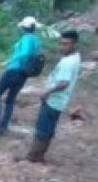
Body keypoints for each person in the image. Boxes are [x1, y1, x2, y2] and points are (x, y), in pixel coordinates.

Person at [21, 30, 81, 163]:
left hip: (53, 100)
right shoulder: (76, 57)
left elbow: (64, 83)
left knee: (42, 128)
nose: (62, 47)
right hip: (60, 101)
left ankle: (32, 157)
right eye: (61, 43)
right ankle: (40, 156)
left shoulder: (68, 62)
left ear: (74, 44)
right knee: (48, 129)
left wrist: (47, 92)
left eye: (66, 44)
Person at [0, 16, 41, 135]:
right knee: (10, 100)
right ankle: (3, 126)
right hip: (24, 73)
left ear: (24, 27)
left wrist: (8, 61)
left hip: (14, 70)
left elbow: (25, 52)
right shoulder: (36, 40)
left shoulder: (26, 38)